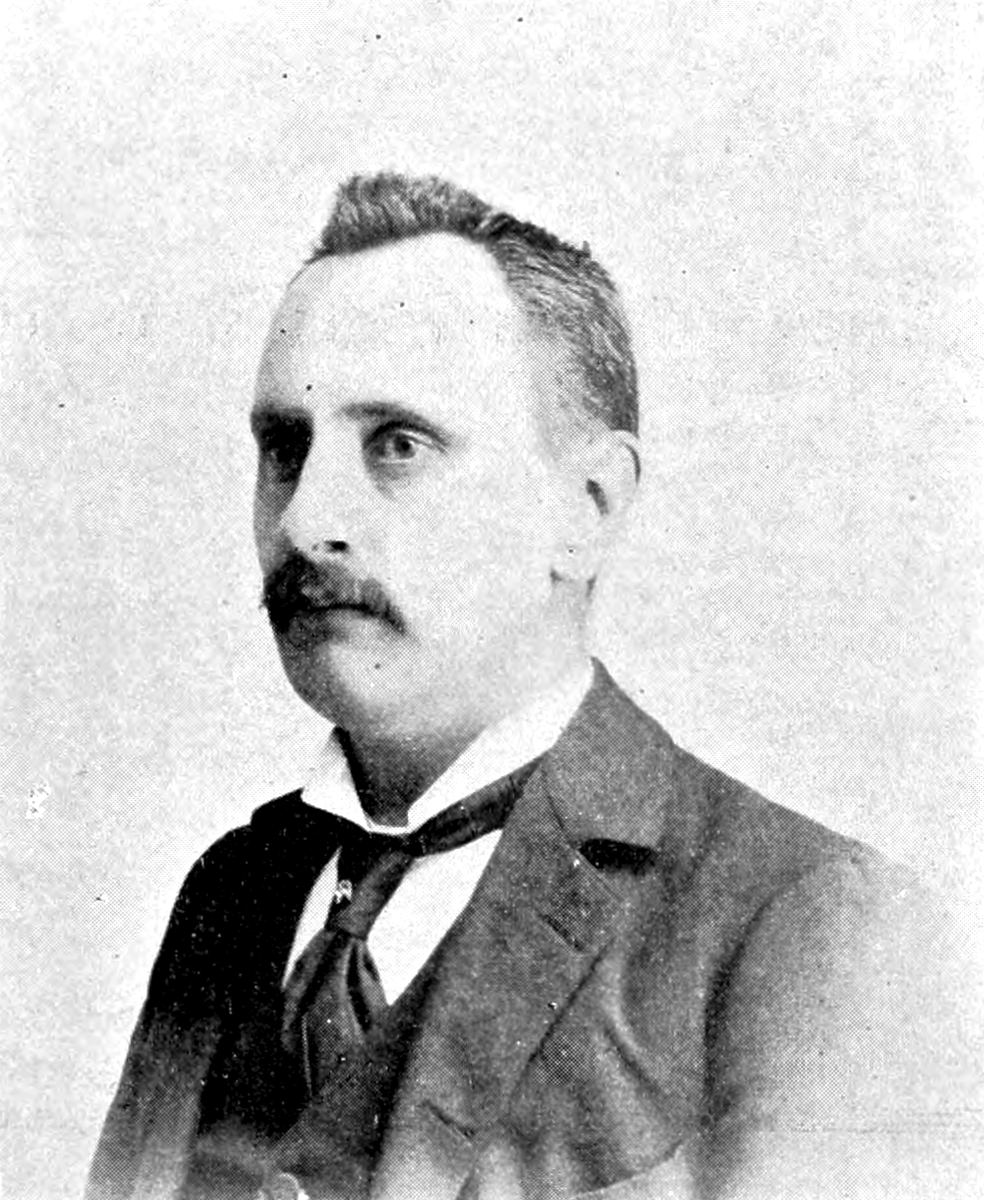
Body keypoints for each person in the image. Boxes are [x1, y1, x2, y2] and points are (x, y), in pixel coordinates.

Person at [87, 174, 975, 1200]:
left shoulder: (801, 930)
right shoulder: (232, 893)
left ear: (587, 507)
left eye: (398, 446)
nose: (304, 519)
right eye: (286, 449)